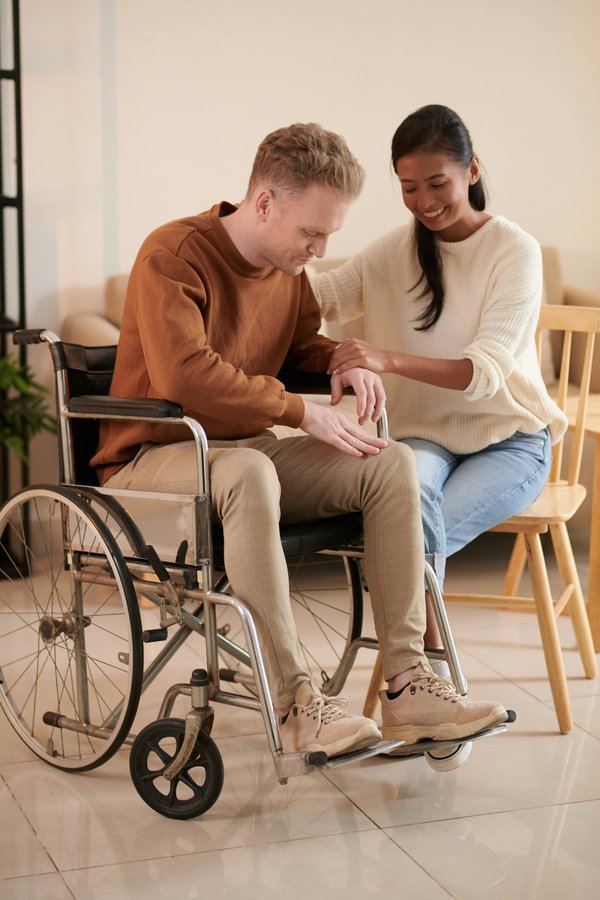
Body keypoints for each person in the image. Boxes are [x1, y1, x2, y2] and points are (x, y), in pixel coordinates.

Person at [91, 121, 509, 755]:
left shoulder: (287, 271)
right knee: (251, 471)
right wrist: (299, 413)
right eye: (312, 232)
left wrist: (345, 359)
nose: (319, 249)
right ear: (264, 203)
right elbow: (185, 373)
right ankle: (296, 702)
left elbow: (300, 347)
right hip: (153, 459)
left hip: (240, 457)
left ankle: (407, 684)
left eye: (329, 234)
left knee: (390, 462)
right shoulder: (173, 254)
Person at [314, 105, 567, 662]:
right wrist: (270, 254)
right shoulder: (391, 252)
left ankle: (421, 671)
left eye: (437, 183)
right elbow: (319, 299)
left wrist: (385, 359)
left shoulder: (513, 251)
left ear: (471, 170)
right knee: (405, 512)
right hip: (424, 438)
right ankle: (427, 677)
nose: (424, 201)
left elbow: (483, 372)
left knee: (404, 536)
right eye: (409, 188)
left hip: (509, 442)